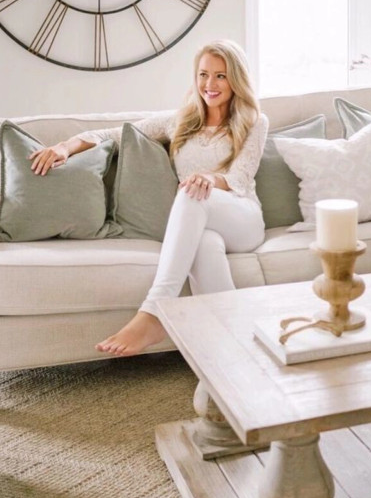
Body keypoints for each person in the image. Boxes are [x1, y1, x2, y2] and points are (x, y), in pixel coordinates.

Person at [30, 40, 269, 357]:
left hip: (242, 218)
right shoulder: (179, 121)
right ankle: (232, 351)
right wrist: (64, 147)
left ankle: (156, 310)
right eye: (203, 74)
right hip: (202, 221)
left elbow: (240, 177)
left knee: (191, 193)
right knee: (204, 244)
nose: (210, 84)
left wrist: (209, 179)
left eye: (220, 76)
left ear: (236, 79)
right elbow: (110, 136)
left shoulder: (254, 121)